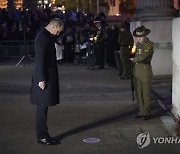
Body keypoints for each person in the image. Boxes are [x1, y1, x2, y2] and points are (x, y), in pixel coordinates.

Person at [30, 18, 64, 145]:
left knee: (43, 108)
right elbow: (40, 60)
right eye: (58, 31)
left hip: (46, 77)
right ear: (54, 27)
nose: (58, 34)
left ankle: (44, 134)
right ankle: (42, 136)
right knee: (42, 108)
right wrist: (41, 79)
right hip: (43, 78)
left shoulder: (46, 36)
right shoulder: (43, 37)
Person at [132, 26, 154, 120]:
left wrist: (133, 59)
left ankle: (147, 112)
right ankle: (141, 111)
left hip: (145, 71)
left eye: (141, 37)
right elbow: (132, 53)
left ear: (145, 36)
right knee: (138, 93)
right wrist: (133, 46)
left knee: (146, 93)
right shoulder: (137, 44)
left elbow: (143, 57)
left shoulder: (149, 45)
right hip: (137, 71)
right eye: (138, 37)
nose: (139, 38)